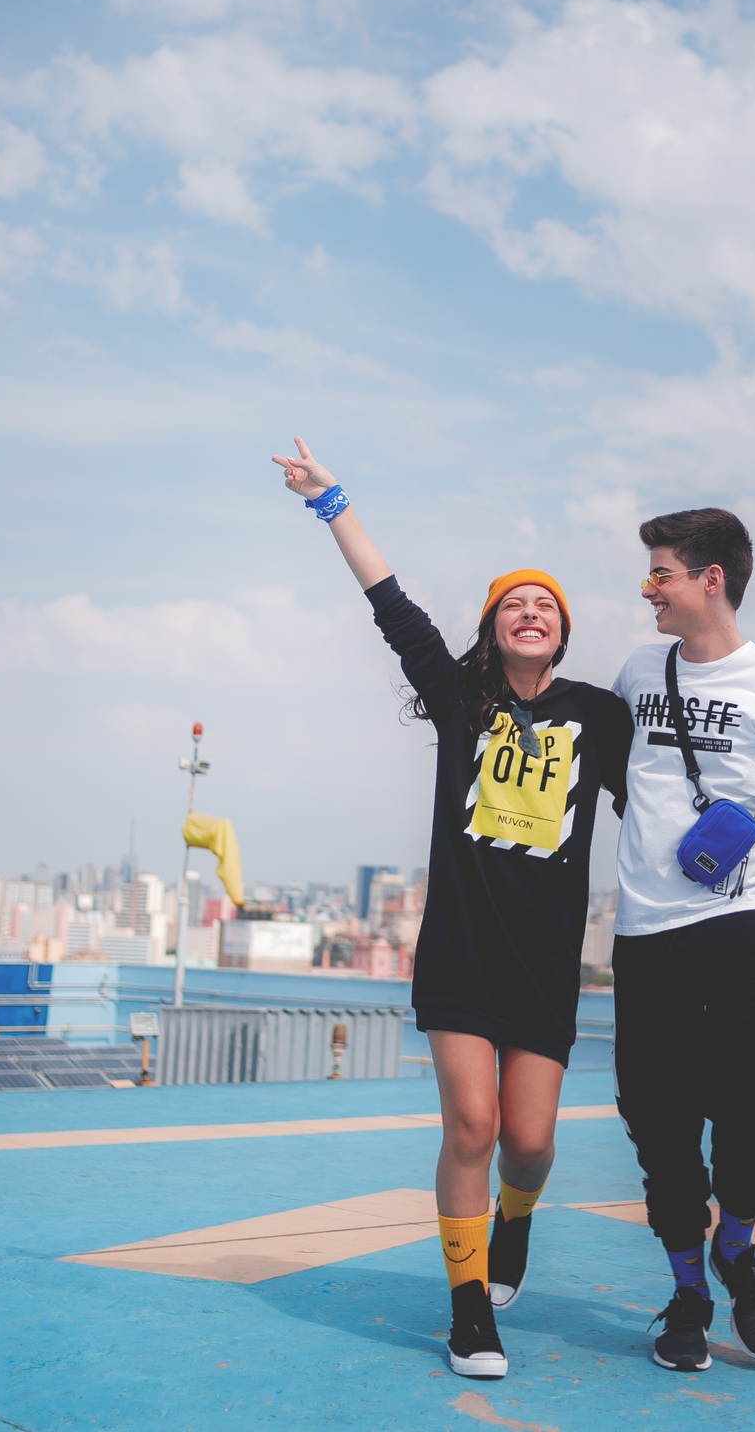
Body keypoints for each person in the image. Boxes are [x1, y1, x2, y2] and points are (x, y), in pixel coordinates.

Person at [270, 438, 636, 1381]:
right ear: (491, 627)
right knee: (472, 1126)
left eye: (545, 605)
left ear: (562, 632)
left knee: (531, 1143)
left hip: (545, 960)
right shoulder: (458, 695)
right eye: (514, 603)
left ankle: (516, 1219)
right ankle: (469, 1311)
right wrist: (330, 501)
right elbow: (389, 603)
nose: (530, 612)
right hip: (463, 951)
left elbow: (664, 801)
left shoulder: (601, 716)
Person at [610, 507, 755, 1374]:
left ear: (711, 579)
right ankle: (688, 1293)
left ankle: (736, 1248)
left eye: (660, 574)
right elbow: (617, 779)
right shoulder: (640, 671)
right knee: (658, 1122)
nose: (648, 591)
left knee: (748, 1111)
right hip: (645, 931)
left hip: (742, 924)